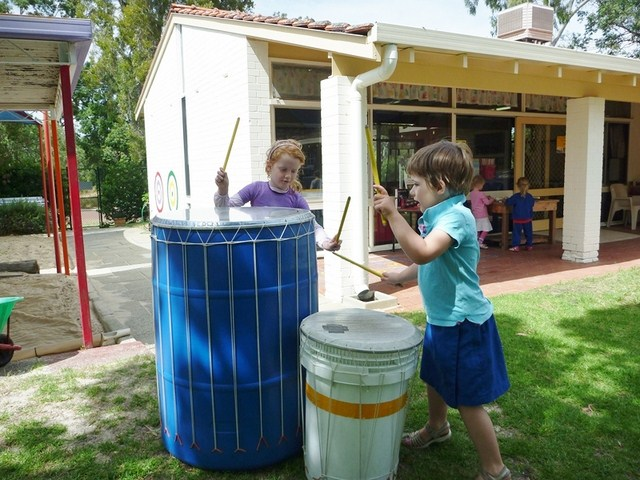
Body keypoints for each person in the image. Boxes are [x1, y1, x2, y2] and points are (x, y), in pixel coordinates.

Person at [373, 140, 511, 480]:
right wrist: (401, 276)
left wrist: (392, 213)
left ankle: (495, 470)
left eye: (417, 185)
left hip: (464, 322)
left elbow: (422, 252)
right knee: (434, 376)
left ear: (439, 185)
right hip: (442, 319)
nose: (412, 192)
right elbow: (428, 262)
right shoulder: (438, 216)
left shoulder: (458, 217)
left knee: (467, 398)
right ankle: (437, 427)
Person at [214, 138, 341, 251]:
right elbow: (224, 211)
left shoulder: (296, 198)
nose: (288, 175)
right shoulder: (255, 188)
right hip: (256, 252)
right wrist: (223, 189)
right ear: (269, 167)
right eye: (283, 169)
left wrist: (325, 243)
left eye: (293, 171)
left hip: (284, 255)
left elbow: (313, 226)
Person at [505, 176, 535, 252]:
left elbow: (508, 202)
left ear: (518, 186)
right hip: (527, 218)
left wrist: (505, 200)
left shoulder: (515, 197)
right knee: (528, 232)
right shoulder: (530, 197)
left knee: (516, 233)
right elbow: (532, 204)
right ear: (528, 185)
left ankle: (516, 246)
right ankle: (529, 245)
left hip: (517, 218)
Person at [469, 175, 494, 249]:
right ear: (479, 185)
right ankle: (480, 242)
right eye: (482, 185)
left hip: (475, 214)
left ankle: (476, 241)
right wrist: (492, 199)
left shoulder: (472, 193)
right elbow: (487, 203)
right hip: (483, 214)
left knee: (477, 228)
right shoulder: (481, 194)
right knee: (486, 228)